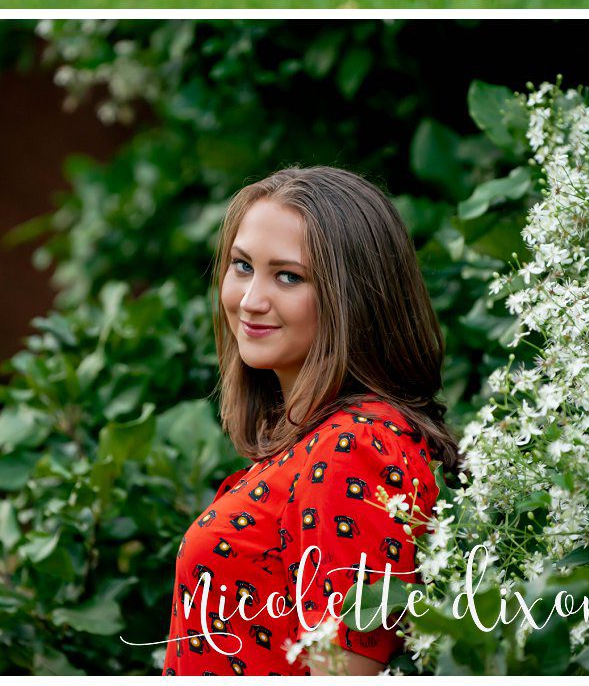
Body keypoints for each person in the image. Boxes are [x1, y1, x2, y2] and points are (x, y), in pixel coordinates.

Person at [163, 168, 458, 677]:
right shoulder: (314, 440)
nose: (251, 300)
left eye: (288, 276)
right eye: (241, 266)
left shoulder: (356, 448)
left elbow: (344, 672)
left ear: (354, 298)